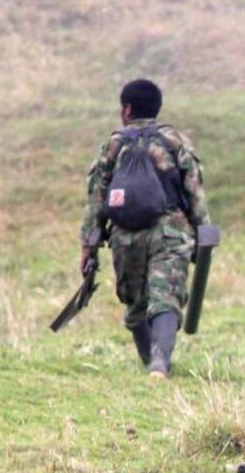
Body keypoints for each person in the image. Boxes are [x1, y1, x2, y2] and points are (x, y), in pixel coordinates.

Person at [79, 79, 212, 378]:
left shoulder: (114, 145)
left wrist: (88, 244)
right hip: (170, 231)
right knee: (165, 297)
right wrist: (203, 232)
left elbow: (96, 200)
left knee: (135, 301)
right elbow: (195, 191)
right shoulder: (175, 141)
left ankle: (149, 360)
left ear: (127, 109)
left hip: (126, 235)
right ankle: (159, 364)